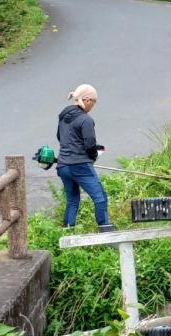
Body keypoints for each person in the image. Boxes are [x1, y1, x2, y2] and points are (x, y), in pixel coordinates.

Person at [55, 84, 115, 232]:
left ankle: (68, 231)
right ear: (87, 100)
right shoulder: (85, 120)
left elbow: (59, 137)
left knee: (72, 200)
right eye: (93, 102)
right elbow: (89, 145)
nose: (93, 105)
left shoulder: (63, 117)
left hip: (63, 165)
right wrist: (94, 156)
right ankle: (105, 230)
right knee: (100, 197)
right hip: (80, 165)